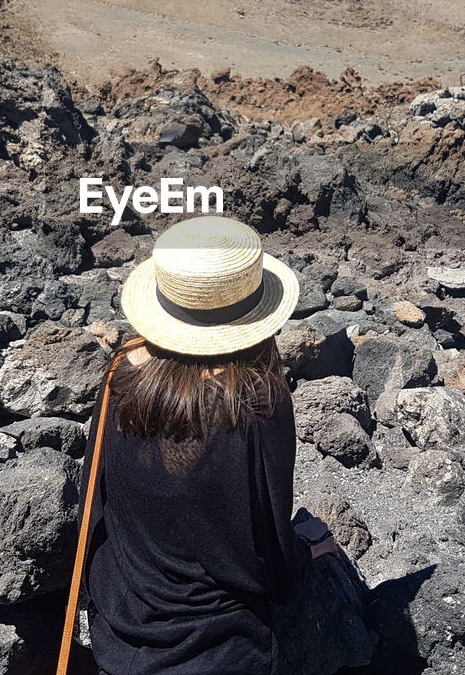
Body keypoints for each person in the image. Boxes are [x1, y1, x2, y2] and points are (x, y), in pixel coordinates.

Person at [74, 215, 337, 675]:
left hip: (120, 622)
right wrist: (304, 554)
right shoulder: (254, 402)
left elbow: (95, 501)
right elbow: (268, 540)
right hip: (216, 646)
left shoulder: (122, 370)